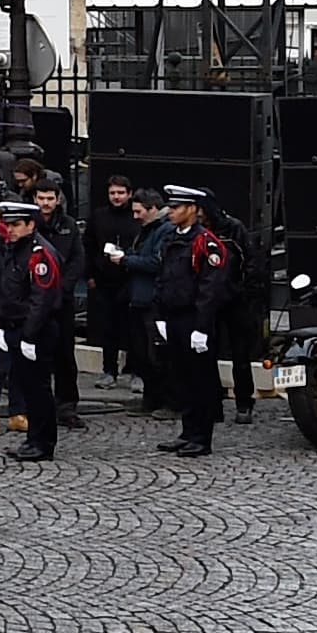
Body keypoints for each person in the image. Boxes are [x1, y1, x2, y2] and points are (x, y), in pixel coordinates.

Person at [133, 184, 233, 457]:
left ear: (192, 210)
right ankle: (188, 432)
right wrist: (161, 315)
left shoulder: (205, 242)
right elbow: (163, 279)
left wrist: (201, 327)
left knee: (200, 379)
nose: (171, 213)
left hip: (195, 319)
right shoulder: (171, 239)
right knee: (181, 378)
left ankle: (202, 436)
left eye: (177, 208)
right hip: (173, 316)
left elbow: (210, 288)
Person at [0, 191, 76, 457]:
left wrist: (29, 335)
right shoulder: (16, 250)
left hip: (36, 331)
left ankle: (43, 443)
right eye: (8, 224)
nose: (10, 230)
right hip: (16, 327)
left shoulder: (40, 254)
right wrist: (1, 323)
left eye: (16, 225)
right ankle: (33, 439)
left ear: (30, 224)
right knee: (26, 386)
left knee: (38, 389)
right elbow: (9, 290)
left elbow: (43, 298)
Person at [83, 173, 151, 386]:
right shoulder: (99, 216)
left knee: (134, 329)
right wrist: (91, 274)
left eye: (121, 193)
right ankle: (109, 371)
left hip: (131, 279)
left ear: (129, 194)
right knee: (107, 328)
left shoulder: (136, 217)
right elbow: (89, 245)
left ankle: (136, 372)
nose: (116, 197)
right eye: (112, 193)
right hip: (104, 280)